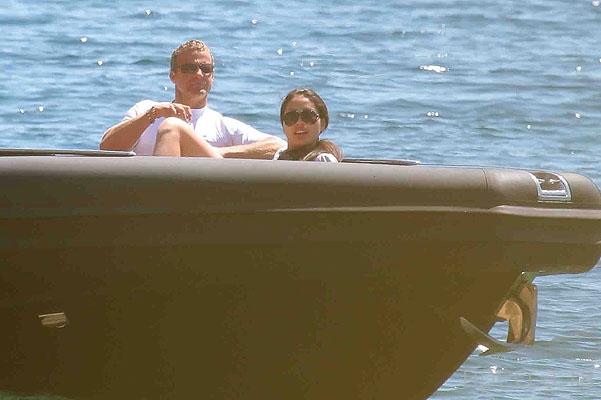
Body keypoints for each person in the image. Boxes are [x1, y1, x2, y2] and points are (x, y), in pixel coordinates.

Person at [99, 39, 284, 158]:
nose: (198, 74)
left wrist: (217, 152)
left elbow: (278, 146)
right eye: (189, 69)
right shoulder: (146, 110)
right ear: (173, 76)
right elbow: (107, 148)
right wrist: (153, 115)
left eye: (206, 69)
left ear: (212, 76)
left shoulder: (222, 126)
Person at [273, 88, 342, 162]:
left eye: (308, 116)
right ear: (283, 124)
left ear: (322, 123)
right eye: (291, 117)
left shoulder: (322, 160)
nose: (299, 122)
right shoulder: (279, 155)